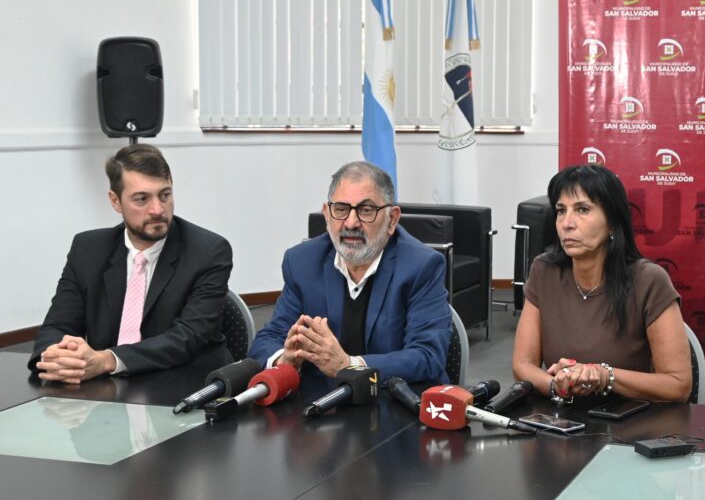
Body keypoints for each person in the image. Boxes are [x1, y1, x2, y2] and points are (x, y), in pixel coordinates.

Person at [30, 144, 234, 382]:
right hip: (108, 386)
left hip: (185, 382)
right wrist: (57, 357)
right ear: (115, 201)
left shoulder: (208, 251)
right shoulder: (88, 249)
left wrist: (108, 360)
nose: (157, 209)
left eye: (164, 195)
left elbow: (188, 337)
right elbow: (57, 326)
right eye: (142, 199)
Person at [249, 161, 451, 384]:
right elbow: (268, 340)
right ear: (327, 214)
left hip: (394, 395)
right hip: (323, 398)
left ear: (392, 219)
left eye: (366, 210)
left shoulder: (421, 266)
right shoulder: (302, 262)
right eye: (341, 209)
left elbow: (427, 356)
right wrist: (285, 360)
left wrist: (349, 366)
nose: (351, 223)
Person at [511, 165, 693, 403]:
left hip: (631, 418)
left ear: (612, 222)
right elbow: (523, 364)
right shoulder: (544, 271)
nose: (567, 223)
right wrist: (557, 386)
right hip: (563, 415)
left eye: (582, 209)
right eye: (561, 211)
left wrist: (604, 376)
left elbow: (678, 385)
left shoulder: (649, 280)